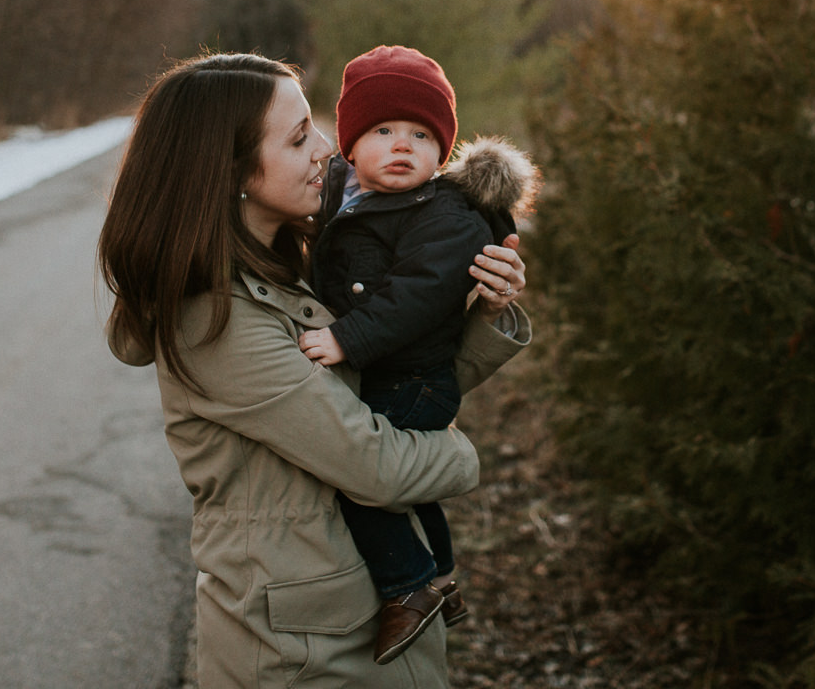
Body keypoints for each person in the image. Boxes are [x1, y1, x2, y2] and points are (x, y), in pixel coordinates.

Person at [96, 52, 530, 688]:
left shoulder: (305, 255)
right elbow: (374, 464)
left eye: (316, 126)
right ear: (234, 170)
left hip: (357, 618)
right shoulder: (216, 320)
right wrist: (463, 459)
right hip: (299, 652)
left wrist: (484, 310)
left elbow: (391, 389)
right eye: (300, 137)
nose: (329, 148)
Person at [296, 45, 540, 664]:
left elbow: (415, 297)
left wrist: (346, 339)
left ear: (443, 152)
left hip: (413, 380)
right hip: (395, 373)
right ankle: (441, 577)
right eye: (382, 130)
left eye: (421, 134)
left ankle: (407, 584)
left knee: (362, 478)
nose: (402, 145)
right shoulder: (339, 194)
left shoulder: (448, 217)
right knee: (407, 492)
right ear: (350, 145)